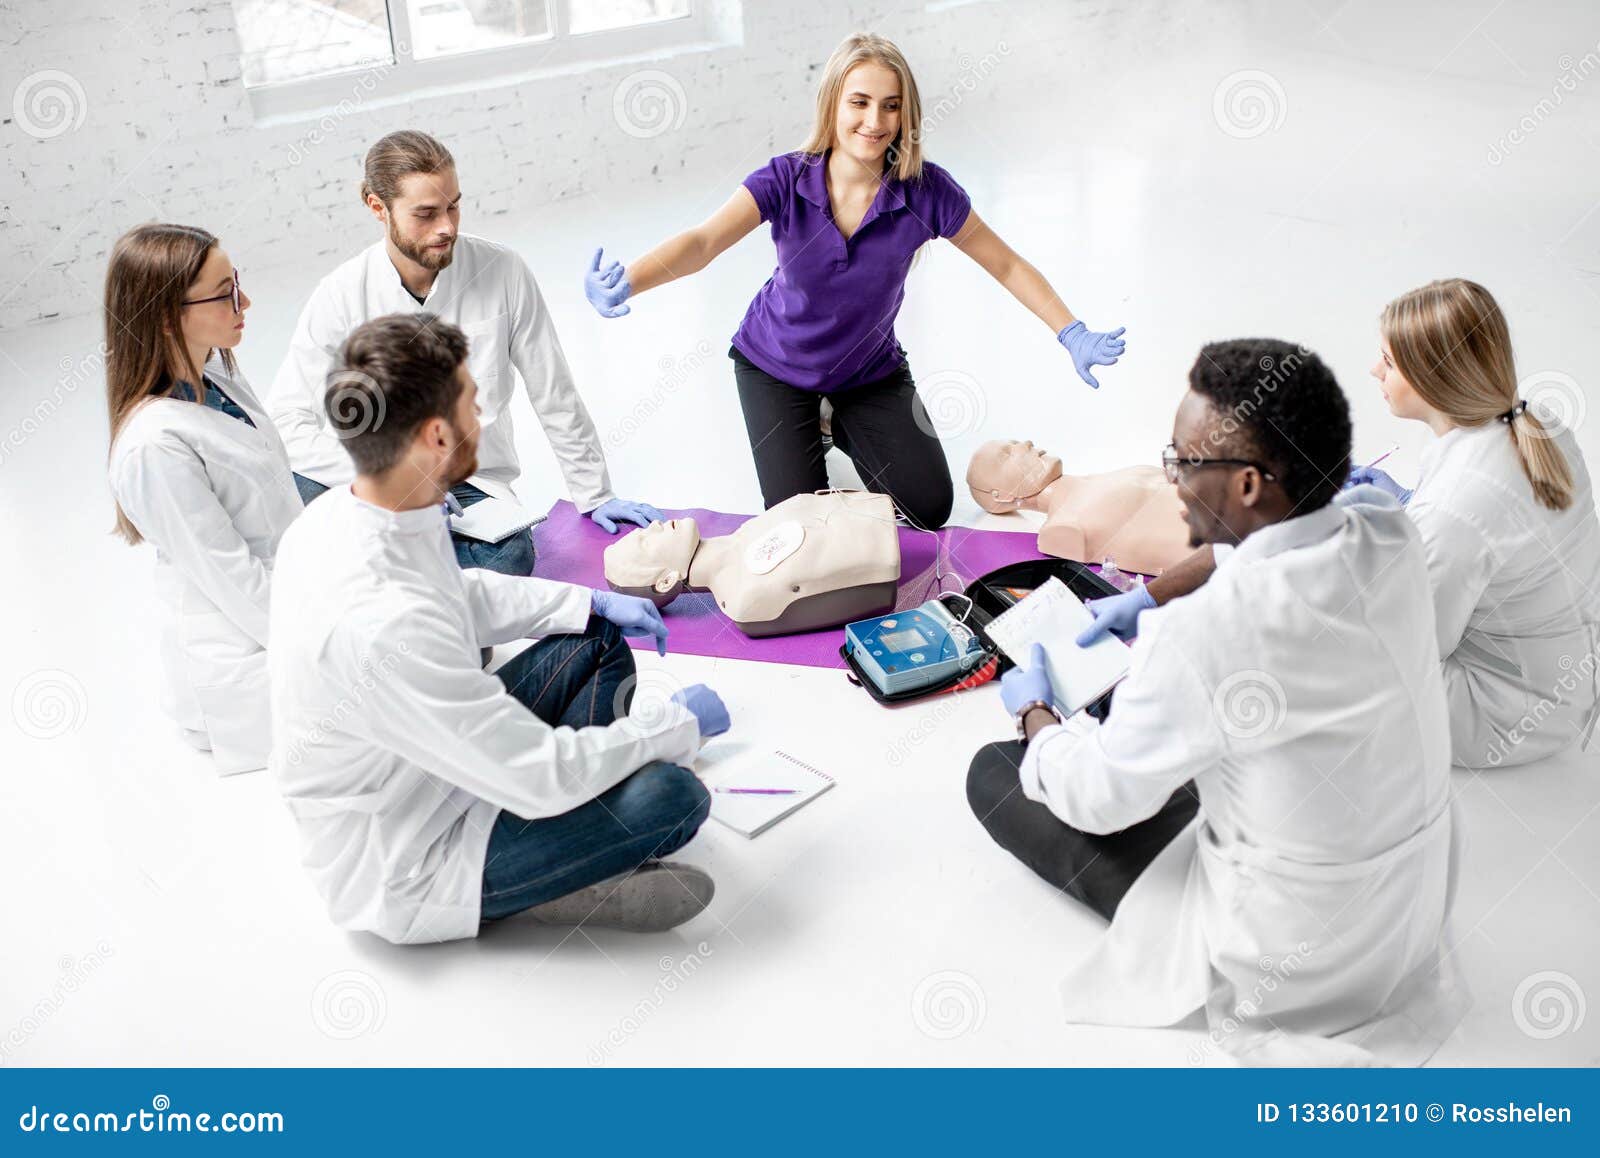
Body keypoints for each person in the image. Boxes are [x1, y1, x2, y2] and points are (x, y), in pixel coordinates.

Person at [966, 340, 1464, 1063]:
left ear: (1252, 486)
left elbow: (1097, 799)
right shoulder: (1390, 533)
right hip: (1409, 912)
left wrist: (1035, 711)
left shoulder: (1206, 632)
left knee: (998, 773)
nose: (1173, 481)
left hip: (1293, 957)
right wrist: (1145, 595)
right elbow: (1275, 541)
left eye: (1185, 464)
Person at [269, 313, 730, 943]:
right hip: (413, 859)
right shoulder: (382, 625)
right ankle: (554, 879)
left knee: (594, 639)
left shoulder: (354, 512)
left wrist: (588, 601)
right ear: (436, 436)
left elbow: (453, 593)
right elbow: (537, 773)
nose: (480, 418)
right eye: (472, 404)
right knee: (672, 798)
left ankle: (565, 835)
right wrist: (670, 729)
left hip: (440, 757)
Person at [582, 32, 1126, 531]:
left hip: (869, 372)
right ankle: (813, 425)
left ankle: (838, 422)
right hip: (775, 367)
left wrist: (1070, 331)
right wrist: (630, 280)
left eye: (891, 106)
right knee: (803, 525)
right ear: (833, 106)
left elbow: (1006, 264)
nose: (875, 121)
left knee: (928, 509)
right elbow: (703, 243)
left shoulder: (927, 191)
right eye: (859, 103)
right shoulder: (785, 179)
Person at [268, 129, 663, 578]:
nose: (447, 227)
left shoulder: (504, 271)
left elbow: (553, 390)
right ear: (378, 207)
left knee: (510, 558)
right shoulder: (340, 294)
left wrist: (595, 495)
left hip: (467, 486)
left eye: (453, 205)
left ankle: (396, 579)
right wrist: (388, 481)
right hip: (373, 477)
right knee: (290, 494)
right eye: (426, 213)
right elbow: (286, 422)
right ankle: (422, 581)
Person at [1345, 279, 1600, 767]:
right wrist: (1408, 510)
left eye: (1390, 361)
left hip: (1505, 715)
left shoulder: (1454, 512)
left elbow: (1413, 645)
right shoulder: (1535, 423)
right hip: (1567, 678)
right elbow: (1496, 529)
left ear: (1431, 378)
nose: (1374, 369)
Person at [105, 224, 309, 773]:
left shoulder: (214, 378)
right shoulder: (154, 447)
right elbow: (233, 579)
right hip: (246, 661)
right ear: (168, 315)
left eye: (236, 282)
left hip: (289, 595)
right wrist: (329, 638)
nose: (245, 301)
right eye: (224, 293)